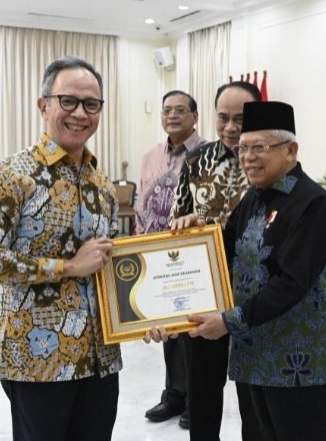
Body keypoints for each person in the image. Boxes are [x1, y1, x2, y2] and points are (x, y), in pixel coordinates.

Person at [0, 55, 121, 441]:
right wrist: (67, 267)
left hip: (101, 359)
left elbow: (107, 263)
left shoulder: (101, 183)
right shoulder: (12, 174)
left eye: (91, 104)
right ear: (43, 105)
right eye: (68, 101)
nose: (80, 114)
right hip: (38, 361)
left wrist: (146, 315)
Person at [189, 101, 326, 441]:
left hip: (297, 363)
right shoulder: (254, 198)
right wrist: (193, 232)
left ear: (291, 150)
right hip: (254, 355)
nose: (247, 157)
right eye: (243, 148)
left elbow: (292, 283)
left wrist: (227, 322)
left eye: (259, 148)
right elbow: (222, 250)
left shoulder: (313, 204)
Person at [169, 81, 262, 440]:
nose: (230, 127)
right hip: (202, 292)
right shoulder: (196, 161)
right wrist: (183, 224)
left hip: (254, 297)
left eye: (240, 118)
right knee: (203, 394)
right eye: (223, 117)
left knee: (253, 396)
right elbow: (177, 221)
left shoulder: (269, 160)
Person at [136, 90, 207, 429]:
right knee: (168, 330)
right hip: (156, 253)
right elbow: (142, 201)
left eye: (181, 110)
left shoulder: (208, 155)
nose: (173, 115)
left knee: (193, 328)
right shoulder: (151, 156)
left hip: (192, 255)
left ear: (195, 116)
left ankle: (198, 400)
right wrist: (138, 245)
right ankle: (174, 394)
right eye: (167, 110)